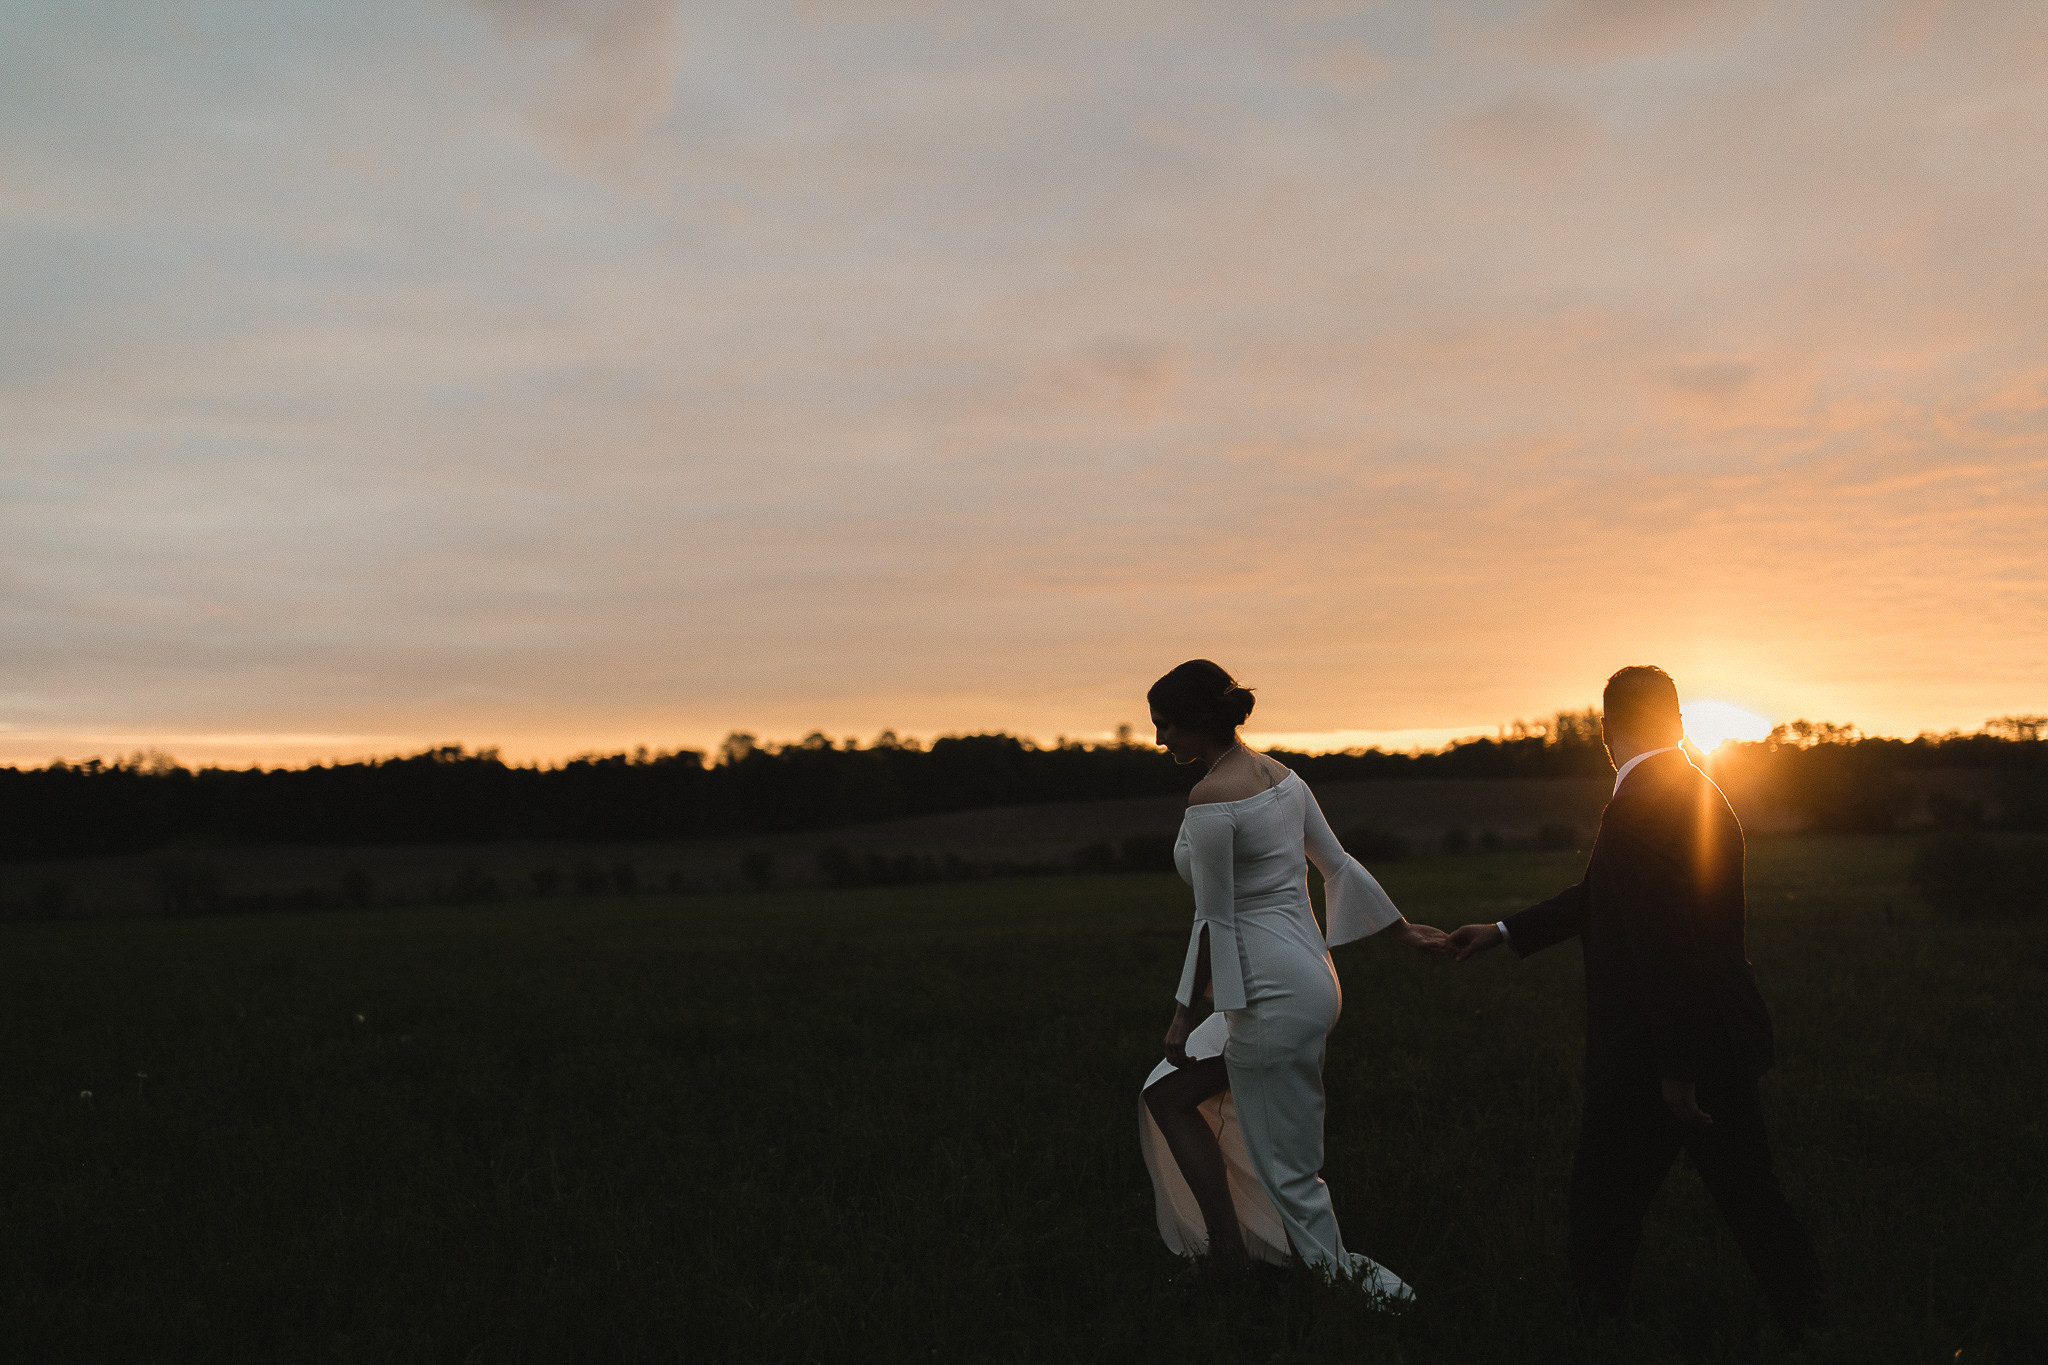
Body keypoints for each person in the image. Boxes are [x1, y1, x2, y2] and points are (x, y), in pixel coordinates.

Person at [1446, 665, 1824, 1341]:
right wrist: (1503, 931)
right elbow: (1599, 898)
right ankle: (1812, 1322)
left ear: (1604, 730)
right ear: (1677, 723)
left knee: (1601, 1203)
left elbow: (1668, 942)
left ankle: (1597, 1328)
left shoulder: (1643, 800)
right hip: (1708, 1040)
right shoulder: (1684, 788)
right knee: (1747, 1195)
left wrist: (1677, 1071)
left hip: (1663, 1054)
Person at [1137, 659, 1448, 1299]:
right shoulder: (1281, 776)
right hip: (1305, 980)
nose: (1160, 739)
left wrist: (1179, 1016)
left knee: (1292, 1173)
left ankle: (1361, 1297)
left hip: (1271, 995)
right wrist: (1402, 930)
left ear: (1197, 721)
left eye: (1165, 725)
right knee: (1166, 1094)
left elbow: (1213, 919)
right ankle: (1230, 1251)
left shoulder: (1210, 799)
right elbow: (1338, 865)